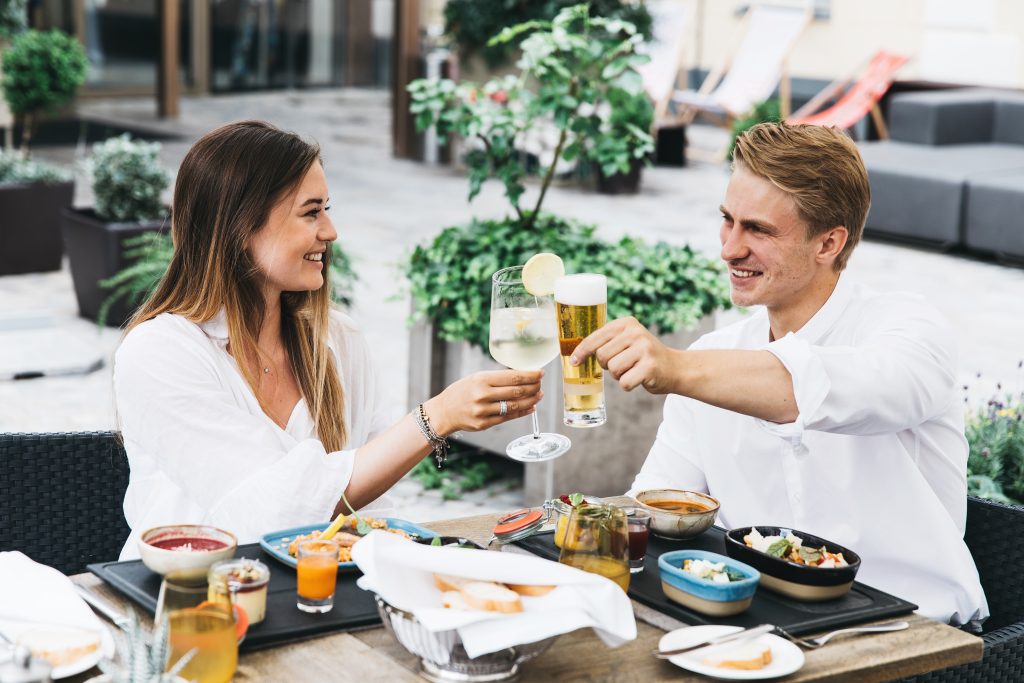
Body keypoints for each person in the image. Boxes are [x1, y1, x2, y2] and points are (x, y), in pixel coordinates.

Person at [571, 122, 987, 624]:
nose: (728, 249)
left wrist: (675, 367)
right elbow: (656, 505)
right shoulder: (713, 357)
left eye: (758, 230)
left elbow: (831, 388)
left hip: (918, 635)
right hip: (760, 628)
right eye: (727, 220)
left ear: (829, 243)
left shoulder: (910, 334)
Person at [113, 121, 543, 558]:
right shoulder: (159, 352)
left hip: (320, 592)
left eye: (327, 209)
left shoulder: (339, 339)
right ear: (242, 228)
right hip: (192, 599)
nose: (331, 231)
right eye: (311, 211)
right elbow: (267, 517)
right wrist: (437, 417)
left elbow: (373, 514)